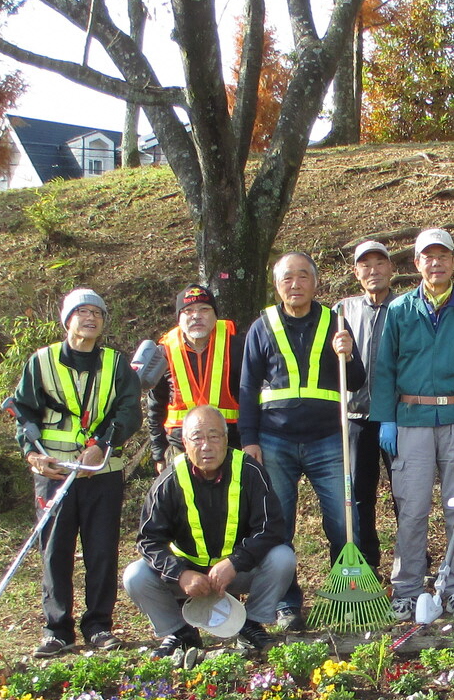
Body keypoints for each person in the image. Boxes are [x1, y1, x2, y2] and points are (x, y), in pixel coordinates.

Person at [369, 227, 454, 621]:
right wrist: (386, 420)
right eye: (428, 256)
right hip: (411, 421)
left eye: (443, 255)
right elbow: (384, 370)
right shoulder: (399, 310)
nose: (436, 262)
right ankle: (407, 588)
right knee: (410, 507)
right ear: (417, 263)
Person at [9, 287, 144, 657]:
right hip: (54, 472)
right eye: (82, 312)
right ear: (66, 320)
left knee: (102, 549)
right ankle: (57, 629)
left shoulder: (116, 364)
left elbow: (129, 411)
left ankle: (99, 625)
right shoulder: (42, 362)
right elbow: (24, 412)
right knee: (55, 550)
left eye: (97, 314)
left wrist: (103, 443)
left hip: (102, 471)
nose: (90, 318)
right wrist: (32, 456)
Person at [238, 252, 361, 626]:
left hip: (328, 439)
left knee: (343, 520)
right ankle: (287, 603)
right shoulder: (263, 326)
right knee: (279, 523)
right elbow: (246, 387)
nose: (295, 284)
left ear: (315, 282)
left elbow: (355, 380)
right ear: (277, 285)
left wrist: (349, 354)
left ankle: (348, 596)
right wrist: (249, 438)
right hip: (275, 440)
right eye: (287, 278)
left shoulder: (335, 322)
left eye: (303, 276)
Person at [125, 405, 295, 659]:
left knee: (283, 557)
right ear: (184, 441)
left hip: (237, 572)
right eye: (198, 438)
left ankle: (250, 624)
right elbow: (149, 540)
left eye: (215, 436)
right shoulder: (169, 480)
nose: (207, 446)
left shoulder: (249, 471)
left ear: (226, 440)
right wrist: (180, 574)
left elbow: (271, 528)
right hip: (188, 576)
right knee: (135, 575)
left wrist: (235, 562)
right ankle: (180, 632)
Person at [336, 240, 397, 570]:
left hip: (397, 416)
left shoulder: (405, 307)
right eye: (366, 265)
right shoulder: (343, 310)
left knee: (405, 492)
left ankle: (414, 560)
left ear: (391, 268)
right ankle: (367, 561)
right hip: (356, 416)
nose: (373, 270)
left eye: (379, 263)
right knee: (359, 494)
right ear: (357, 272)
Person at [147, 284, 241, 467]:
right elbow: (155, 406)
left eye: (204, 309)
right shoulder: (163, 352)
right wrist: (159, 454)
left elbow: (251, 398)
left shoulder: (236, 346)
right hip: (179, 447)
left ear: (215, 315)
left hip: (229, 444)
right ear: (179, 318)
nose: (196, 316)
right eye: (188, 311)